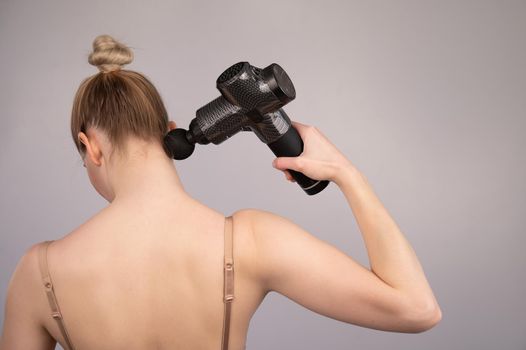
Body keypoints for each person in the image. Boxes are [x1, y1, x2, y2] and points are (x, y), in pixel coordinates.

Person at [0, 35, 442, 350]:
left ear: (89, 146)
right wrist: (346, 173)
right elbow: (417, 310)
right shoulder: (250, 240)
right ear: (169, 131)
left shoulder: (37, 272)